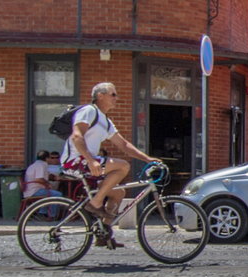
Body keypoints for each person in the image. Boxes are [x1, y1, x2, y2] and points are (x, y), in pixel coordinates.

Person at [62, 82, 158, 248]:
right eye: (113, 94)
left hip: (88, 161)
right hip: (76, 161)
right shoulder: (88, 111)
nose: (116, 98)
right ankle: (94, 204)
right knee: (123, 166)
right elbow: (77, 136)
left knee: (118, 194)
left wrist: (148, 159)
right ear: (100, 96)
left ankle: (103, 233)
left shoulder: (105, 121)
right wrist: (91, 160)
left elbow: (123, 145)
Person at [22, 150, 60, 218]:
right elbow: (39, 179)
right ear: (47, 158)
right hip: (34, 191)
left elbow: (47, 175)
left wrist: (55, 177)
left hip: (29, 190)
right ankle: (51, 216)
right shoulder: (42, 165)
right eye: (50, 158)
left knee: (49, 193)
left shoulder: (35, 164)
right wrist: (47, 184)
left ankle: (43, 213)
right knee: (57, 194)